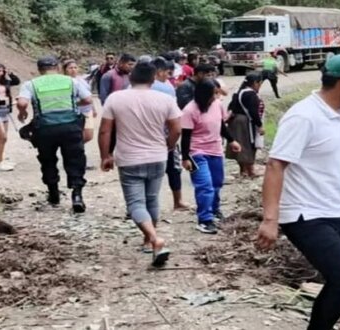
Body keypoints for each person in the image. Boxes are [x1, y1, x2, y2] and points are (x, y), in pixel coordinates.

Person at [256, 54, 340, 330]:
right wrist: (270, 219)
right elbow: (276, 165)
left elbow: (334, 159)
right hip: (306, 214)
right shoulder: (303, 116)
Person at [98, 62, 181, 267]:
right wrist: (168, 147)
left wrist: (105, 155)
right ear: (153, 79)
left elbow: (105, 131)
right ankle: (148, 241)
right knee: (152, 199)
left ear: (130, 78)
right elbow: (177, 129)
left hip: (129, 159)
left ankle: (154, 239)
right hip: (157, 157)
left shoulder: (115, 98)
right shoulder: (166, 99)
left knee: (136, 204)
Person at [16, 56, 92, 212]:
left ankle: (53, 193)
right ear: (57, 67)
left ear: (39, 69)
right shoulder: (71, 81)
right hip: (71, 126)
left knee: (47, 159)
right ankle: (77, 195)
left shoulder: (31, 84)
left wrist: (22, 112)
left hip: (45, 128)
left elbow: (22, 103)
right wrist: (73, 105)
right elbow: (88, 99)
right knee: (75, 159)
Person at [181, 79, 241, 234]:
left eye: (217, 93)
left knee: (216, 183)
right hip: (197, 152)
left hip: (215, 150)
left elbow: (220, 125)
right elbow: (186, 136)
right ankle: (204, 219)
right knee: (205, 186)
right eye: (213, 93)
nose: (216, 96)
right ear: (203, 94)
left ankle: (215, 210)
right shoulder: (190, 110)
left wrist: (232, 140)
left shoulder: (217, 105)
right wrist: (185, 157)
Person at [151, 57, 190, 211]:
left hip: (145, 137)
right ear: (159, 72)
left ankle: (137, 205)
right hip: (165, 136)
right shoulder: (166, 88)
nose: (170, 76)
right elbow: (174, 117)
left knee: (146, 173)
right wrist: (172, 141)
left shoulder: (133, 87)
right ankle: (178, 201)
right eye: (168, 73)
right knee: (173, 169)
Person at [226, 72, 264, 178]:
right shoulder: (251, 94)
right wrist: (259, 125)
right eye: (260, 83)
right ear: (255, 83)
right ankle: (250, 170)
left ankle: (243, 170)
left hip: (235, 121)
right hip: (244, 122)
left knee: (239, 145)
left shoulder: (239, 92)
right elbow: (253, 112)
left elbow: (230, 107)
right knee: (248, 145)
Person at [62, 60, 98, 150]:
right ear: (65, 70)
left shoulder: (82, 80)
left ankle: (76, 150)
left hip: (87, 110)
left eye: (75, 67)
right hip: (74, 112)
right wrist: (77, 103)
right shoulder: (64, 81)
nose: (73, 70)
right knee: (77, 135)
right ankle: (76, 153)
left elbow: (88, 94)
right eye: (70, 68)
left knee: (88, 135)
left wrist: (93, 108)